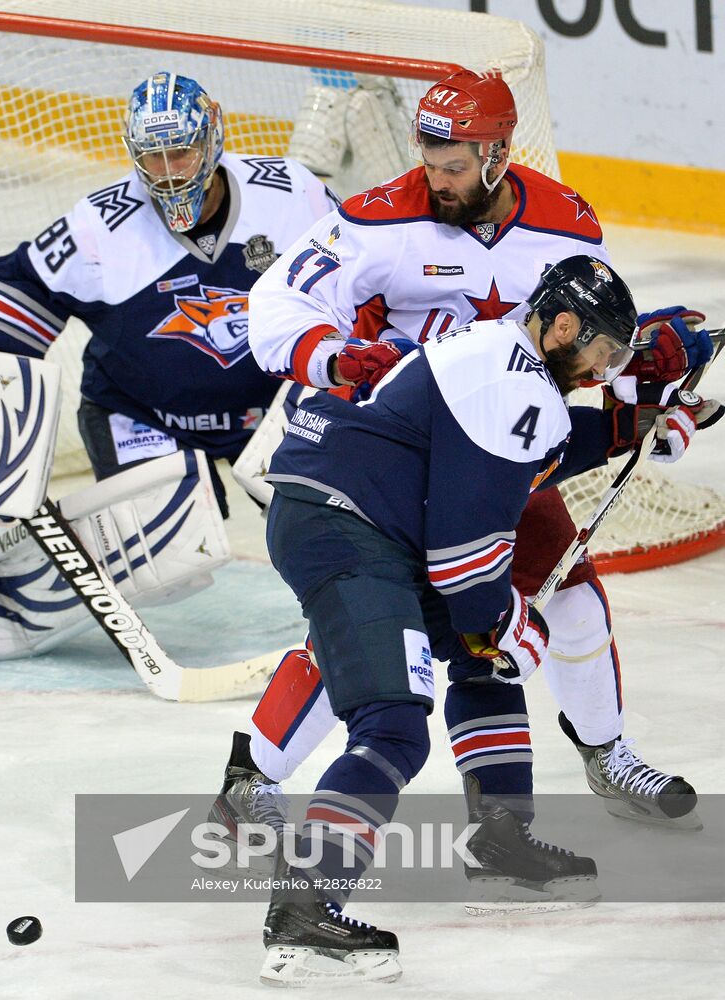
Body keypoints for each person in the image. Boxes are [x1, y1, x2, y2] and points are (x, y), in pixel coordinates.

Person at [212, 67, 716, 867]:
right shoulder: (377, 217)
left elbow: (588, 328)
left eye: (453, 165)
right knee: (382, 625)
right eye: (428, 158)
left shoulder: (564, 222)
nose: (434, 179)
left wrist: (640, 389)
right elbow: (277, 306)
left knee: (563, 606)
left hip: (500, 451)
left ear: (497, 155)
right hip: (396, 454)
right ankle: (251, 778)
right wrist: (340, 358)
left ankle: (594, 761)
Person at [256, 256, 721, 985]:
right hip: (347, 526)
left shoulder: (505, 357)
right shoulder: (511, 379)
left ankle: (502, 842)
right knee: (393, 724)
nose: (602, 370)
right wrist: (514, 626)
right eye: (600, 352)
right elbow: (465, 567)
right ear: (562, 325)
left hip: (365, 517)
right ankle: (305, 909)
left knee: (484, 658)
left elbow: (545, 447)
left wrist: (639, 420)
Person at [0, 71, 338, 661]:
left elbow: (361, 282)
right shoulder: (102, 225)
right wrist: (4, 412)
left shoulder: (291, 195)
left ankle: (413, 596)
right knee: (170, 561)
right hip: (143, 416)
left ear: (214, 136)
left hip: (271, 409)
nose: (168, 171)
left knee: (330, 513)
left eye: (182, 150)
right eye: (152, 156)